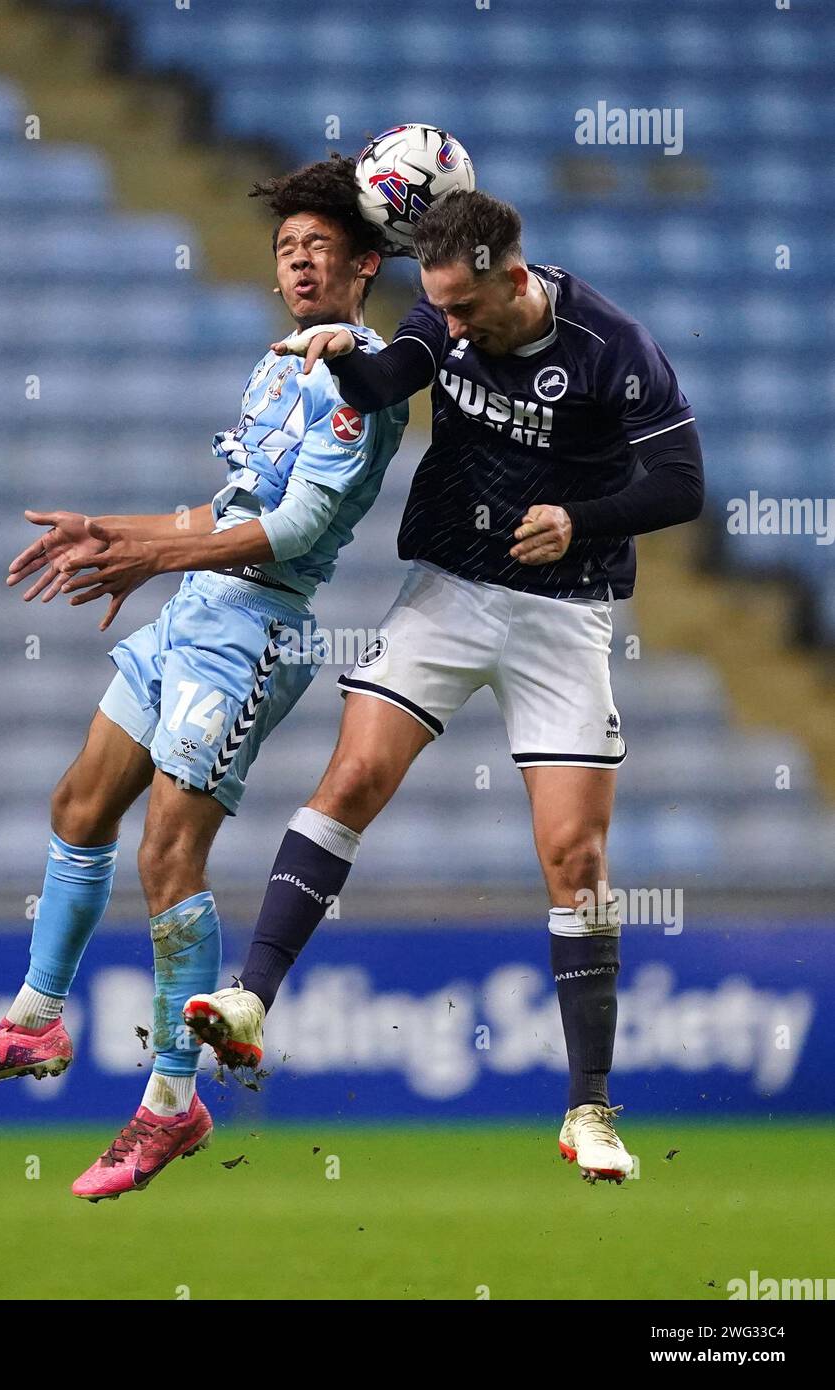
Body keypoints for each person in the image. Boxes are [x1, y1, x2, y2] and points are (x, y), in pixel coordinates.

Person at [185, 188, 704, 1184]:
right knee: (353, 778)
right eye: (439, 307)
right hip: (451, 590)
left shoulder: (612, 347)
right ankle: (251, 999)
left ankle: (589, 1110)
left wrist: (581, 519)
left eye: (465, 309)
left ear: (515, 277)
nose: (451, 326)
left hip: (564, 610)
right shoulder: (441, 307)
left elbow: (682, 483)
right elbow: (395, 376)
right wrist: (344, 353)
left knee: (575, 854)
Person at [0, 154, 407, 1202]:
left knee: (167, 852)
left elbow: (295, 528)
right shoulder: (277, 366)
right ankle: (36, 1022)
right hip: (195, 610)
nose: (301, 263)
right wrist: (116, 531)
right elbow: (224, 509)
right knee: (78, 803)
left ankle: (172, 1103)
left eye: (321, 247)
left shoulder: (364, 381)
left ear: (365, 264)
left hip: (256, 631)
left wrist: (154, 558)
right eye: (287, 248)